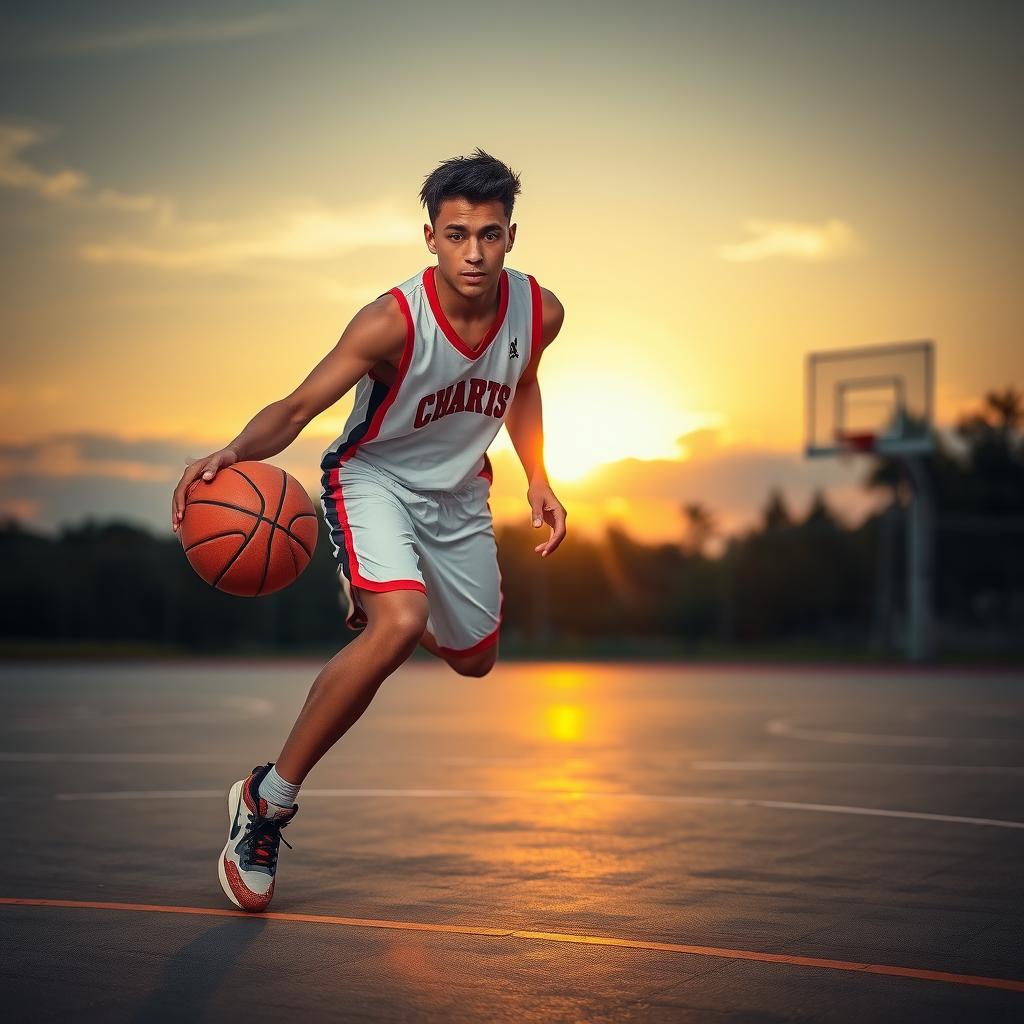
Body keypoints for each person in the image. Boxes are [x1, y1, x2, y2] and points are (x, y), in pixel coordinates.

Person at [170, 148, 567, 912]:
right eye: (457, 235)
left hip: (458, 498)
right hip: (373, 479)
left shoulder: (540, 310)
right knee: (399, 623)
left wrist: (538, 476)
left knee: (476, 661)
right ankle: (267, 801)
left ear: (512, 236)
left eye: (489, 234)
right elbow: (296, 409)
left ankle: (383, 584)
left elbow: (523, 382)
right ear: (430, 237)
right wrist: (228, 451)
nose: (474, 252)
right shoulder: (392, 319)